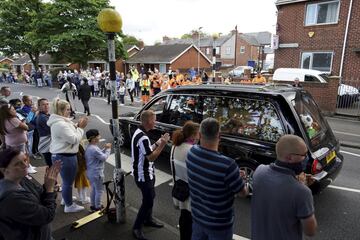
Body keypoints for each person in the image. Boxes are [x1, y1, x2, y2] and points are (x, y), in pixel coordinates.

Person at [186, 118, 248, 240]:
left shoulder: (191, 152)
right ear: (219, 136)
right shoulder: (228, 165)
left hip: (197, 217)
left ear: (199, 134)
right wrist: (241, 179)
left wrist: (232, 175)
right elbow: (243, 193)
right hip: (219, 225)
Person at [251, 134, 317, 240]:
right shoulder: (302, 192)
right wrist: (302, 186)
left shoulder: (259, 171)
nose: (306, 158)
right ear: (290, 157)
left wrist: (296, 183)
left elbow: (276, 189)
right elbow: (310, 231)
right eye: (304, 155)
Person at [0, 148, 61, 240]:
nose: (25, 165)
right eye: (18, 164)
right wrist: (49, 189)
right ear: (4, 170)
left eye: (25, 160)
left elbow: (40, 195)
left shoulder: (21, 179)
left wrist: (49, 185)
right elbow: (47, 215)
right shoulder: (11, 198)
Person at [131, 110, 170, 240]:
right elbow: (151, 157)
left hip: (148, 173)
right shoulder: (142, 137)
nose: (156, 122)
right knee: (148, 200)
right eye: (154, 119)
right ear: (148, 121)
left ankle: (148, 219)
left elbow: (146, 150)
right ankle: (137, 228)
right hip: (143, 175)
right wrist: (163, 144)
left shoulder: (140, 133)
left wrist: (158, 142)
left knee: (149, 198)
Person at [47, 98, 88, 213]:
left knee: (66, 182)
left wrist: (77, 125)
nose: (70, 111)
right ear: (60, 111)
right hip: (65, 156)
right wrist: (80, 128)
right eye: (68, 109)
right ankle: (69, 206)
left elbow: (69, 131)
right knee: (67, 183)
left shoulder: (60, 122)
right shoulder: (60, 124)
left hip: (61, 155)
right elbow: (74, 139)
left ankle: (66, 199)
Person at [170, 121, 200, 240]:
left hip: (180, 191)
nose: (199, 136)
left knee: (184, 221)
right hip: (192, 195)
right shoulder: (193, 150)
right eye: (198, 134)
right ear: (193, 135)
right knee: (192, 227)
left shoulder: (174, 146)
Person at [85, 129, 111, 211]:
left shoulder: (90, 147)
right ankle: (98, 207)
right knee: (99, 191)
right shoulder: (94, 149)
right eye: (98, 136)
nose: (100, 137)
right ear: (93, 138)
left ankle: (93, 205)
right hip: (97, 173)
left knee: (94, 189)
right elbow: (103, 157)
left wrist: (104, 148)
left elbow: (98, 154)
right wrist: (108, 149)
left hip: (90, 172)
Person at [36, 98, 52, 167]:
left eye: (47, 104)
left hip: (48, 145)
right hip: (47, 145)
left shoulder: (46, 115)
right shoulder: (42, 117)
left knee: (51, 165)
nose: (46, 106)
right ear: (39, 107)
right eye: (43, 105)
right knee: (52, 166)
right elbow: (52, 130)